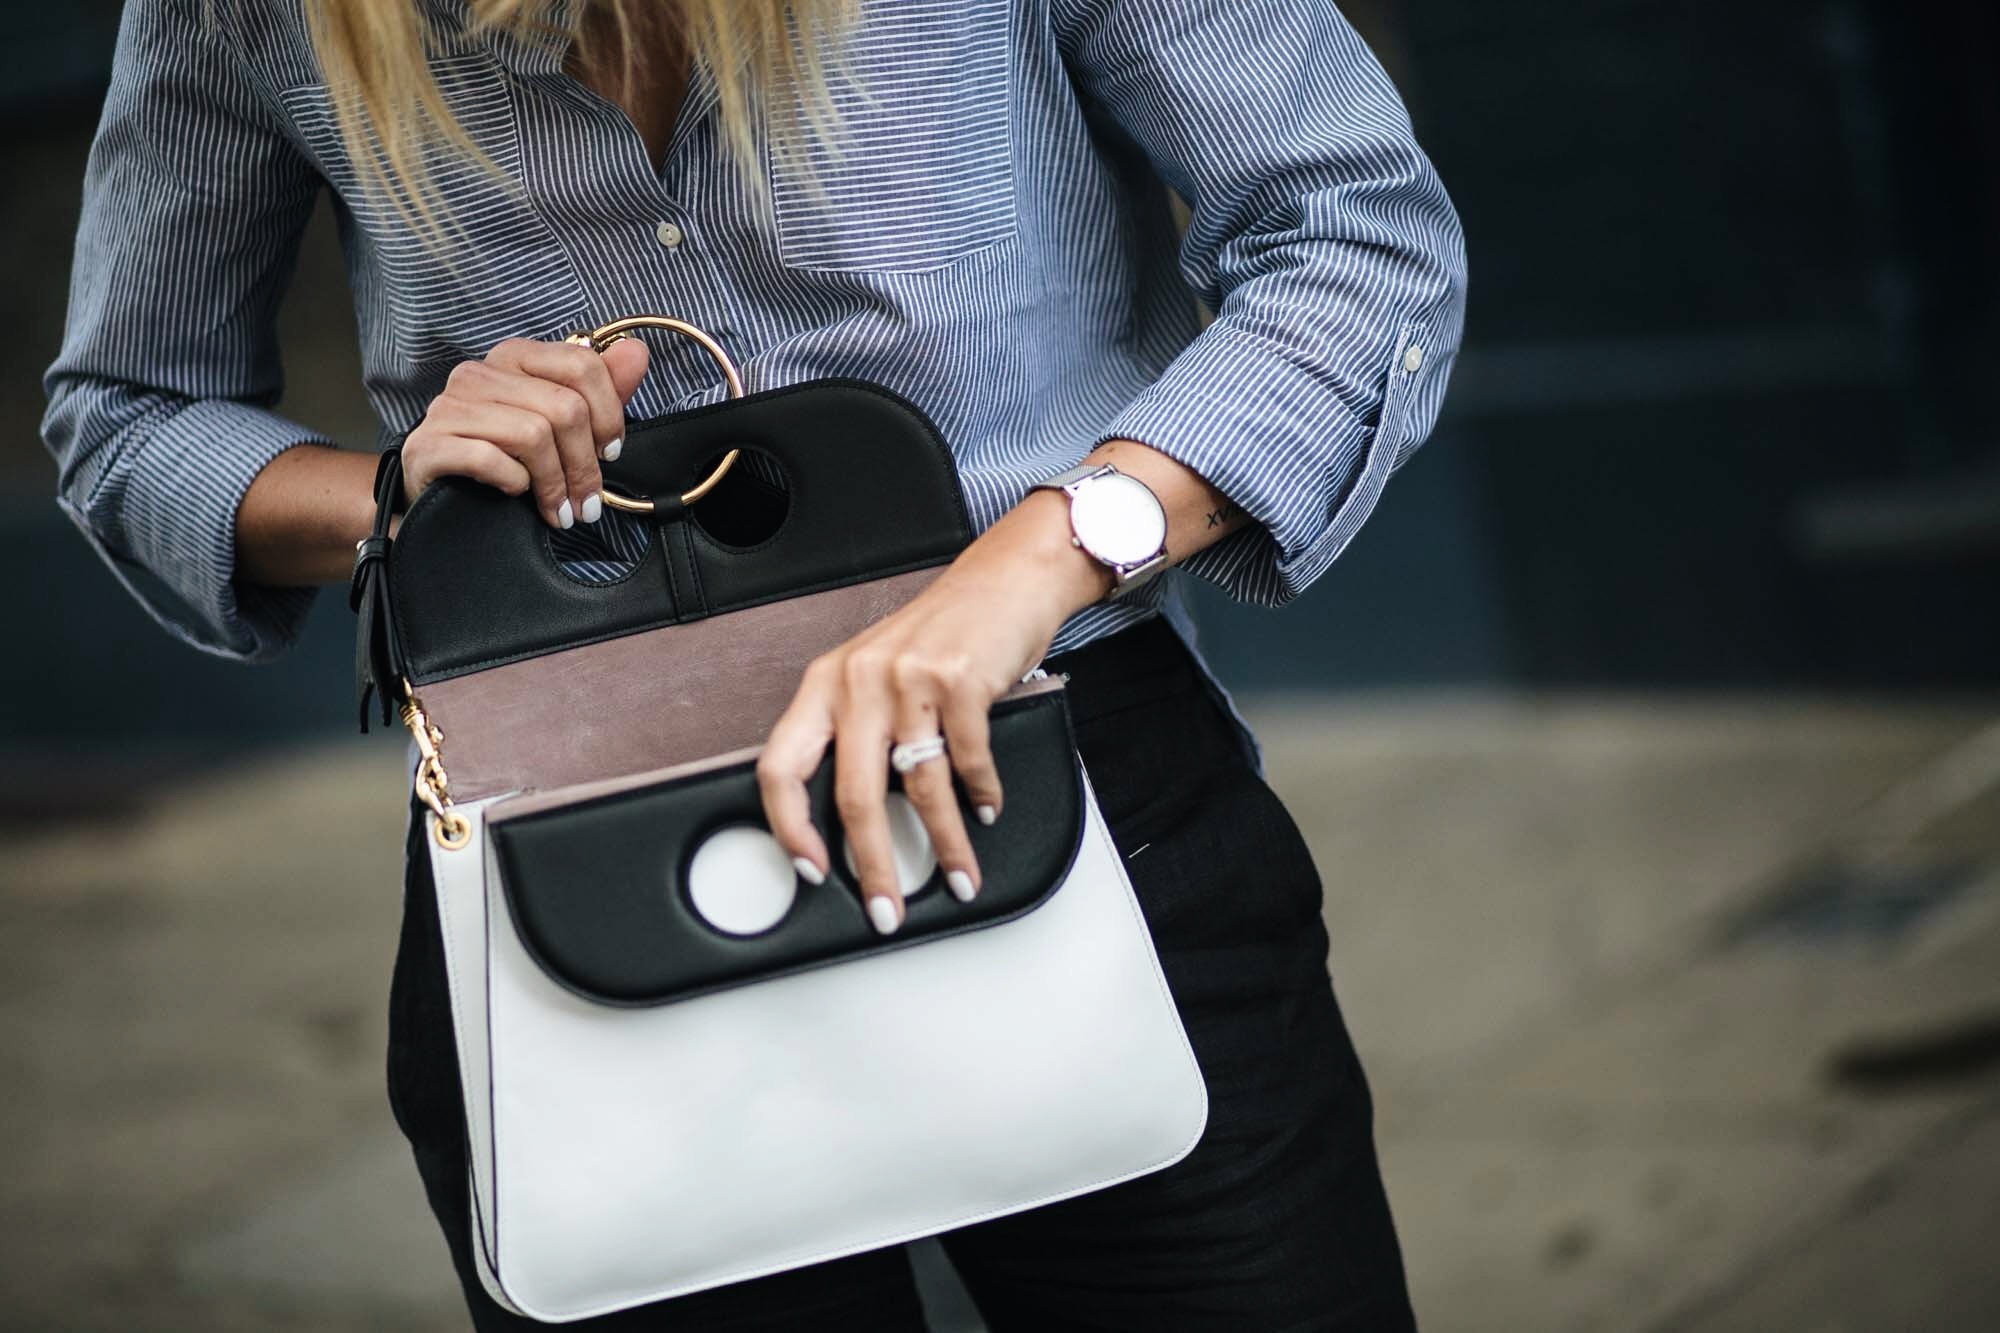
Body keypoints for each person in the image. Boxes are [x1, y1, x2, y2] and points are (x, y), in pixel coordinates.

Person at [43, 0, 1466, 1326]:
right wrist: (405, 499)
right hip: (574, 870)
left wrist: (1030, 567)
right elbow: (127, 414)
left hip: (1061, 779)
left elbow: (1353, 234)